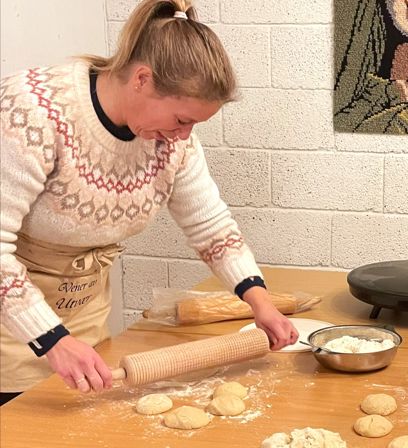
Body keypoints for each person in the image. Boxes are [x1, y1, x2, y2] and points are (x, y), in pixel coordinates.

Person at [0, 0, 297, 406]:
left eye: (195, 125)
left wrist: (259, 301)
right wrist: (51, 338)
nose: (184, 135)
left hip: (82, 308)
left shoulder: (172, 141)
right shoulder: (34, 113)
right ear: (142, 79)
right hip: (9, 318)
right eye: (180, 119)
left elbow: (209, 223)